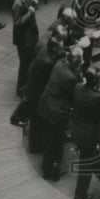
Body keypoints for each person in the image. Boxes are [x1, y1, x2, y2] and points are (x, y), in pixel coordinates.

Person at [38, 46, 82, 181]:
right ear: (77, 63)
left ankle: (49, 165)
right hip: (56, 112)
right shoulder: (70, 77)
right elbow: (74, 94)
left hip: (46, 104)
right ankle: (49, 171)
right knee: (55, 144)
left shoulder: (60, 63)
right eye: (81, 60)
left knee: (51, 139)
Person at [71, 67, 100, 199]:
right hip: (88, 137)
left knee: (94, 160)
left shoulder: (78, 87)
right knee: (86, 166)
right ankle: (80, 196)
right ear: (96, 81)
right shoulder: (96, 97)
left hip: (77, 131)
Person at [11, 0, 40, 98]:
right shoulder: (17, 3)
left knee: (29, 62)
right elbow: (17, 24)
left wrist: (32, 4)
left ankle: (27, 85)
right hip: (24, 40)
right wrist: (30, 12)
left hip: (30, 36)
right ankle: (21, 89)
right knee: (24, 64)